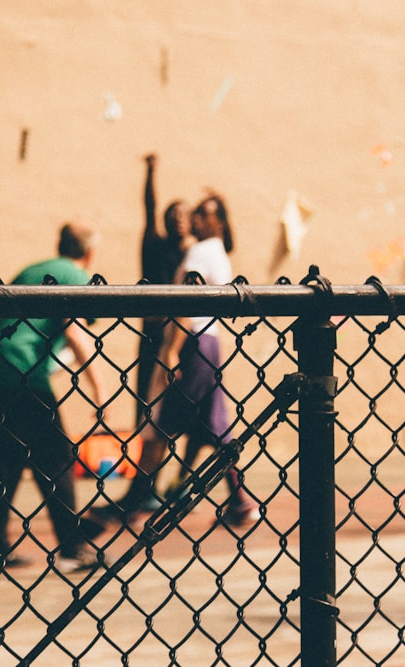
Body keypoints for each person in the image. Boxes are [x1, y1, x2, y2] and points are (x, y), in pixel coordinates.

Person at [95, 192, 257, 527]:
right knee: (217, 428)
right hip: (209, 344)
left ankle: (132, 504)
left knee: (160, 426)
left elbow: (191, 296)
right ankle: (241, 502)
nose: (195, 219)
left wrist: (171, 349)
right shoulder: (218, 254)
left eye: (203, 214)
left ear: (219, 222)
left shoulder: (200, 252)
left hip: (191, 343)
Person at [0, 222, 109, 572]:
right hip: (23, 374)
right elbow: (74, 327)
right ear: (90, 253)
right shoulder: (75, 274)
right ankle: (72, 546)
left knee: (6, 462)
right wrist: (101, 389)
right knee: (56, 459)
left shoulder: (31, 270)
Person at [136, 153, 194, 429]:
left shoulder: (195, 255)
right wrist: (150, 172)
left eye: (185, 214)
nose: (179, 219)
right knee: (147, 398)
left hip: (180, 334)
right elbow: (149, 207)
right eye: (174, 214)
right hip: (154, 331)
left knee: (182, 400)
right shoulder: (154, 245)